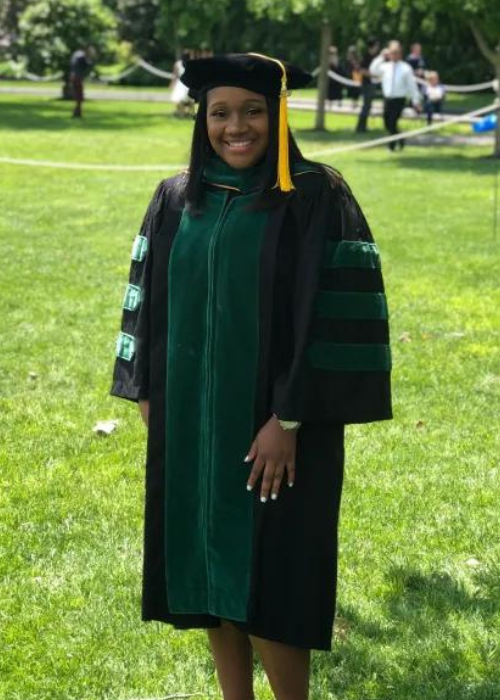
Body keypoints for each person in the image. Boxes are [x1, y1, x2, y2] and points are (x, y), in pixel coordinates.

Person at [110, 53, 392, 700]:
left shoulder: (314, 196)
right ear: (201, 119)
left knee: (275, 580)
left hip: (277, 429)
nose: (236, 127)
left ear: (278, 113)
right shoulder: (178, 198)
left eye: (253, 111)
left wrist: (288, 418)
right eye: (220, 113)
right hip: (192, 423)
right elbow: (146, 298)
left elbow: (335, 316)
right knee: (207, 573)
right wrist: (147, 388)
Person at [370, 40, 421, 151]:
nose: (394, 55)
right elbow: (373, 69)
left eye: (396, 52)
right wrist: (381, 56)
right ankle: (400, 138)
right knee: (387, 122)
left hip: (399, 99)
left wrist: (416, 101)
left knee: (392, 122)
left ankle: (391, 146)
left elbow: (412, 86)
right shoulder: (385, 66)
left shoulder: (406, 68)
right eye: (392, 52)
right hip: (387, 98)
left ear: (400, 53)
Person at [355, 38, 381, 133]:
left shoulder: (375, 57)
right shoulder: (367, 57)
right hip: (367, 84)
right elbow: (362, 70)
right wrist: (374, 75)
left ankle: (363, 127)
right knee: (366, 106)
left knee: (368, 106)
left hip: (372, 84)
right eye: (377, 45)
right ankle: (360, 127)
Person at [69, 46, 94, 118]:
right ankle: (77, 112)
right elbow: (88, 64)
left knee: (78, 96)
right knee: (79, 96)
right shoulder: (81, 57)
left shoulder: (77, 54)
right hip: (77, 78)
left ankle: (77, 112)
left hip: (75, 77)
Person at [169, 50, 193, 118]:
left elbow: (175, 75)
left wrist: (172, 84)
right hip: (188, 83)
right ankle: (187, 113)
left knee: (179, 100)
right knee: (189, 100)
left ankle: (181, 113)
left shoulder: (178, 63)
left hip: (181, 84)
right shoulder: (192, 63)